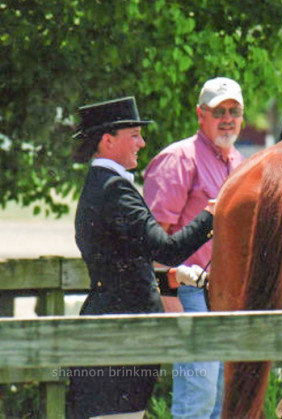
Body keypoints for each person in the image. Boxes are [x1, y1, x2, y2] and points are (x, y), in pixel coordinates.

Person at [69, 96, 216, 419]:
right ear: (108, 141)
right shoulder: (114, 191)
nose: (142, 142)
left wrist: (171, 278)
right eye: (134, 135)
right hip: (119, 339)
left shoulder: (105, 186)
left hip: (116, 332)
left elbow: (125, 267)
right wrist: (212, 214)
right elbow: (167, 249)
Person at [143, 77, 245, 418]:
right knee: (197, 399)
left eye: (234, 111)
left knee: (221, 400)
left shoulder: (241, 165)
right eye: (219, 112)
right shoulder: (179, 158)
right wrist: (168, 298)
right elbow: (155, 238)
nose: (228, 118)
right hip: (186, 292)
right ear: (201, 115)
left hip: (225, 294)